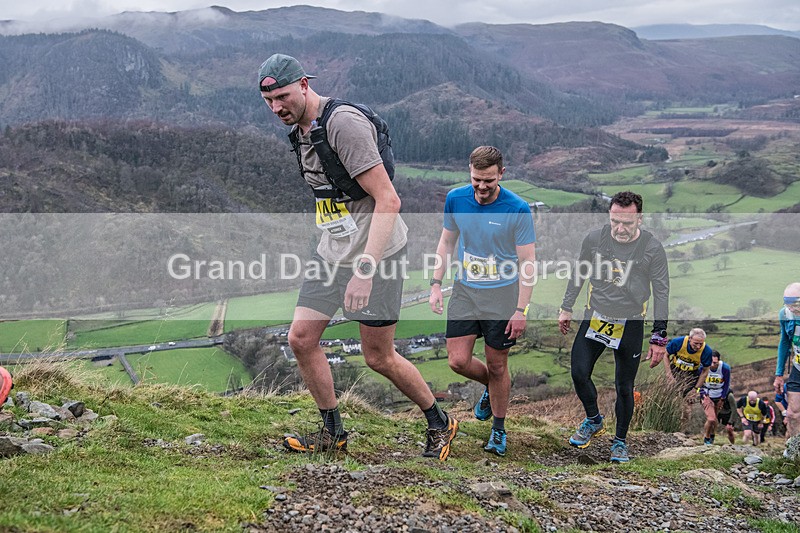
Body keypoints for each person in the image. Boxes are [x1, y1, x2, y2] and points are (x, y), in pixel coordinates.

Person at [258, 53, 457, 459]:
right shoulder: (299, 129)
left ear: (303, 85)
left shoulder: (343, 124)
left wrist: (365, 269)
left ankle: (440, 422)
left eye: (282, 97)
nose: (277, 108)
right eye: (269, 101)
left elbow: (389, 200)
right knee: (301, 338)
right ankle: (333, 433)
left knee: (378, 356)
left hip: (377, 253)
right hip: (333, 249)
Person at [429, 146, 536, 457]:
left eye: (488, 180)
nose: (482, 187)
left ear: (501, 174)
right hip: (465, 289)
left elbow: (528, 262)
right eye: (476, 179)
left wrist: (521, 309)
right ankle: (493, 389)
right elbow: (446, 242)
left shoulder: (517, 208)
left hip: (503, 295)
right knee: (457, 360)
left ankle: (499, 430)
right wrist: (436, 283)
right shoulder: (456, 199)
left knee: (497, 365)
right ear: (470, 173)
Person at [559, 191, 670, 463]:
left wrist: (659, 336)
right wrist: (566, 306)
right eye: (615, 222)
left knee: (624, 385)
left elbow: (662, 292)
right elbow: (579, 272)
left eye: (627, 223)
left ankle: (620, 442)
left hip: (630, 322)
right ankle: (594, 419)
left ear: (640, 220)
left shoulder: (652, 248)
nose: (620, 229)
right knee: (579, 372)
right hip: (595, 316)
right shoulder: (595, 239)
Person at [773, 282, 800, 456]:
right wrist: (779, 374)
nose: (791, 308)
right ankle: (795, 452)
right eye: (788, 303)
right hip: (798, 367)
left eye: (795, 303)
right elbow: (784, 343)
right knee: (792, 413)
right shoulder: (785, 314)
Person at [665, 328, 714, 398]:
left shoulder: (707, 351)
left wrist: (696, 389)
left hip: (692, 373)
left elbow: (705, 371)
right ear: (690, 338)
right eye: (696, 343)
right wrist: (669, 375)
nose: (698, 346)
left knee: (690, 397)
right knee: (670, 393)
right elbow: (666, 355)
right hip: (675, 369)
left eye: (701, 344)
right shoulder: (678, 342)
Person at [699, 350, 731, 445]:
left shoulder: (725, 368)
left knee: (715, 418)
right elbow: (698, 382)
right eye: (711, 362)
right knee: (711, 418)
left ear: (719, 361)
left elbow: (726, 384)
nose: (712, 365)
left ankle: (712, 435)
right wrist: (702, 393)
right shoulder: (702, 367)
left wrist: (723, 398)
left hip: (719, 395)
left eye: (715, 363)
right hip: (707, 394)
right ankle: (707, 438)